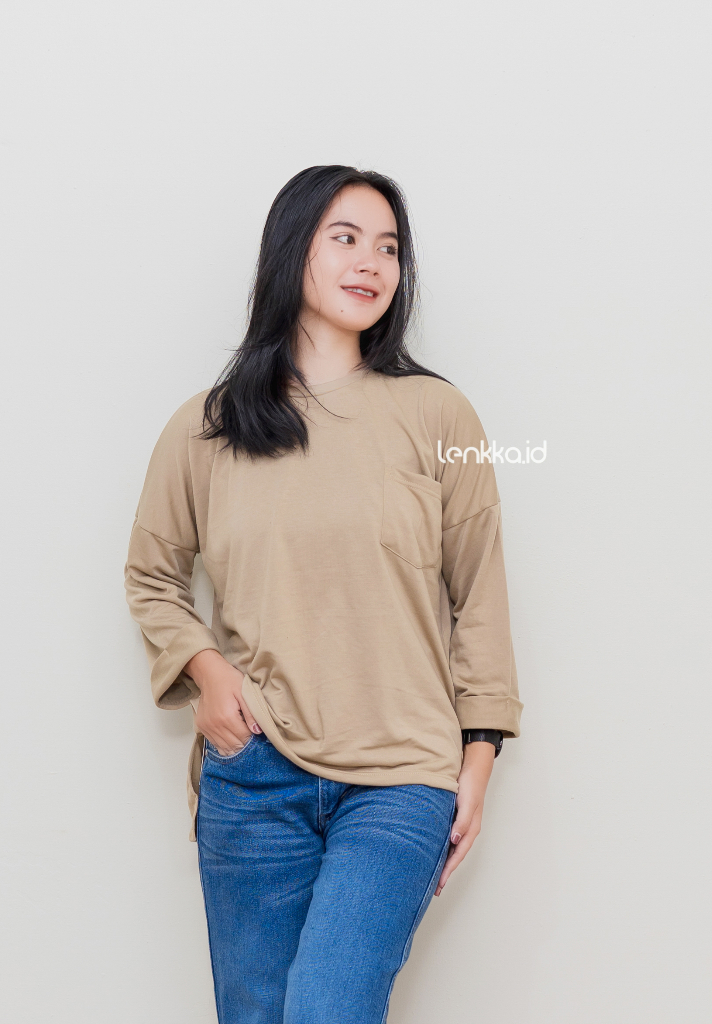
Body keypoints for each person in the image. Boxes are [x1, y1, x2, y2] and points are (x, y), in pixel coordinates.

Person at [124, 164, 522, 1023]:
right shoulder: (208, 426)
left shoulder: (438, 416)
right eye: (345, 238)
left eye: (389, 248)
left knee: (326, 1010)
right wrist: (207, 674)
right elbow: (151, 575)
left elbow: (480, 590)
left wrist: (480, 755)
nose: (371, 262)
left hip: (402, 775)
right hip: (254, 772)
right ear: (291, 249)